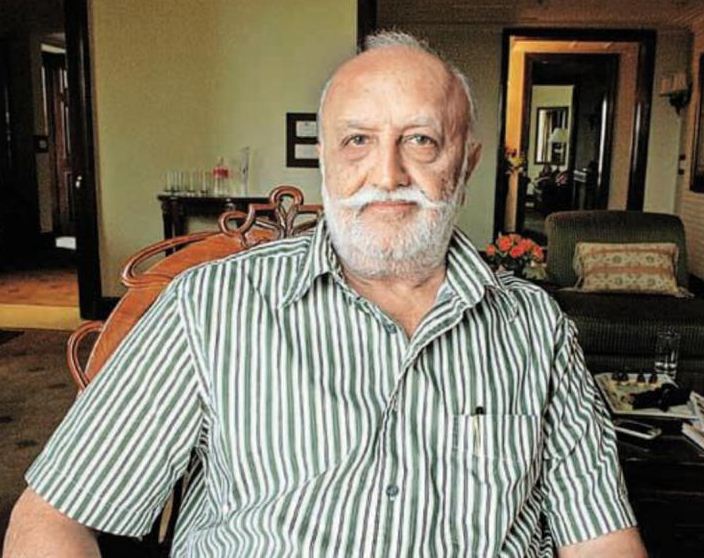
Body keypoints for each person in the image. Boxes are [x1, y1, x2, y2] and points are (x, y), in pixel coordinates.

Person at [4, 31, 647, 557]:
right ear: (325, 159)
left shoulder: (536, 328)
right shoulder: (211, 306)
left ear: (467, 164)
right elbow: (54, 518)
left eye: (421, 140)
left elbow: (602, 538)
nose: (387, 174)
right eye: (358, 140)